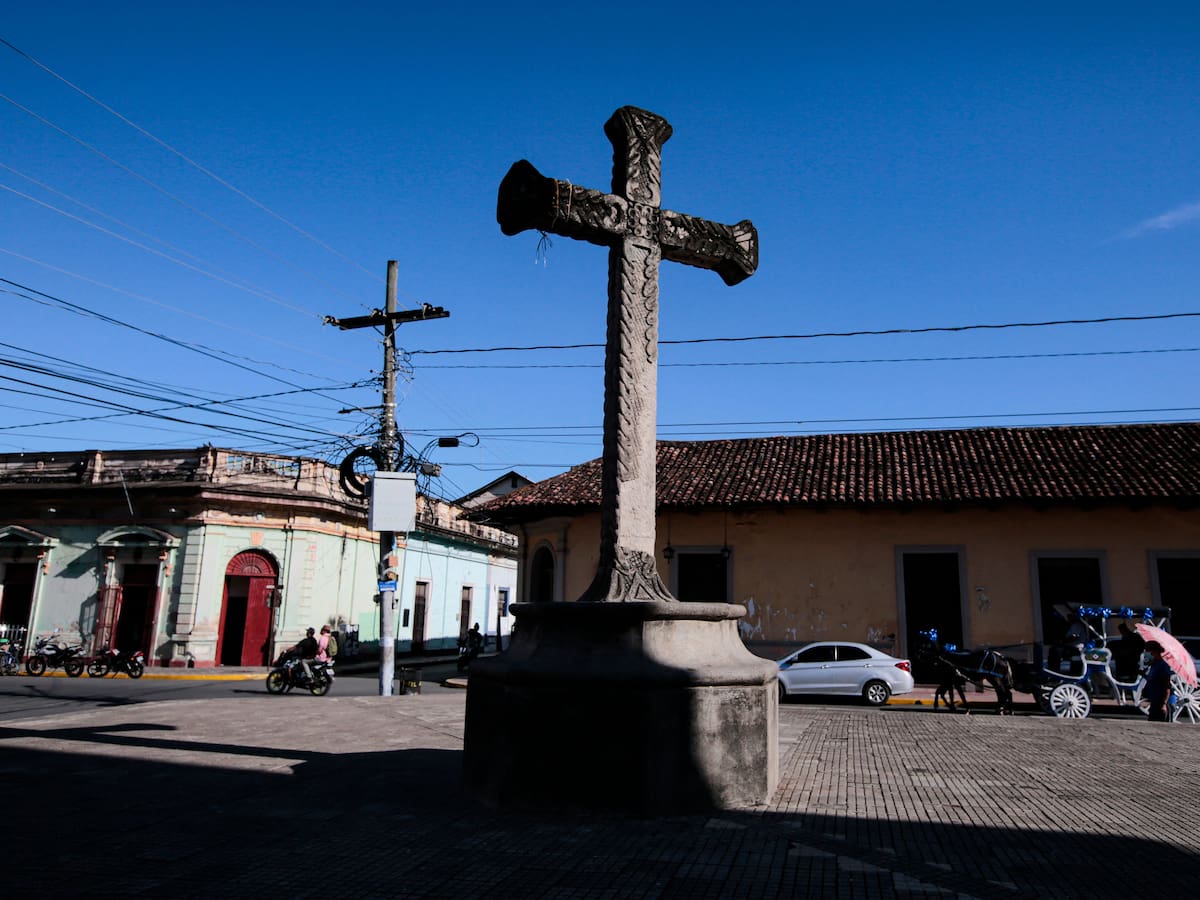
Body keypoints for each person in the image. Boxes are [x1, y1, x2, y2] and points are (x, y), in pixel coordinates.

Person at [1142, 640, 1173, 722]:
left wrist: (1164, 704)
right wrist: (1143, 674)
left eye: (1151, 651)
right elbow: (1151, 679)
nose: (1150, 654)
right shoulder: (1155, 664)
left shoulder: (1163, 666)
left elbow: (1167, 686)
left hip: (1161, 701)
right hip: (1154, 700)